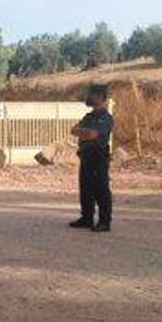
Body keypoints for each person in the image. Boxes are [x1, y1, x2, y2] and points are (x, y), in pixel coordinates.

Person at [70, 84, 114, 232]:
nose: (90, 97)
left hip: (98, 157)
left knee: (101, 189)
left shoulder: (105, 118)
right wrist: (85, 132)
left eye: (93, 95)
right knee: (86, 188)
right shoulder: (89, 117)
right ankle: (87, 218)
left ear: (102, 98)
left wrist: (83, 132)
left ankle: (104, 221)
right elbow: (73, 130)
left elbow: (93, 134)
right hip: (86, 156)